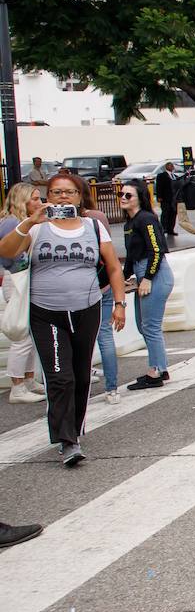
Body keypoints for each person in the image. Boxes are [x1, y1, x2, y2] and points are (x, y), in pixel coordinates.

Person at [0, 172, 127, 466]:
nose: (62, 197)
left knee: (81, 375)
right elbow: (5, 252)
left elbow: (113, 267)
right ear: (48, 197)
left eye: (69, 192)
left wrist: (119, 303)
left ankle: (75, 429)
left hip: (87, 309)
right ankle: (67, 441)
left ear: (79, 197)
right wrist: (29, 222)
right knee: (60, 377)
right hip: (46, 313)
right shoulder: (36, 228)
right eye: (56, 192)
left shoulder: (94, 227)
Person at [120, 181, 175, 390]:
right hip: (142, 272)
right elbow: (132, 256)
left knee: (150, 326)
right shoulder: (129, 224)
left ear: (140, 198)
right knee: (144, 325)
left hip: (155, 274)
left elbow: (156, 250)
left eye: (129, 195)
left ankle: (156, 371)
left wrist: (148, 278)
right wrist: (124, 277)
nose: (123, 198)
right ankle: (160, 366)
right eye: (122, 194)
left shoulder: (146, 219)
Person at [0, 184, 47, 403]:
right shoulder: (12, 222)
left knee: (29, 332)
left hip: (21, 278)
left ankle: (28, 380)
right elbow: (8, 254)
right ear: (23, 200)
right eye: (34, 199)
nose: (39, 203)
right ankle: (17, 386)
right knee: (22, 334)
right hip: (16, 278)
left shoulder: (19, 221)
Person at [78, 184, 119, 403]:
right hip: (103, 281)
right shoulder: (98, 218)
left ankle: (79, 386)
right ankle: (112, 388)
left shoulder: (66, 223)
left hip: (83, 286)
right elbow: (109, 253)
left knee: (79, 338)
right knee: (104, 335)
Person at [153, 161, 180, 238]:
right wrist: (159, 196)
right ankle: (163, 228)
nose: (172, 167)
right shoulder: (161, 176)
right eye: (170, 166)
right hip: (165, 198)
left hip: (174, 199)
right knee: (165, 213)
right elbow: (159, 187)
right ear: (167, 167)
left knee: (173, 214)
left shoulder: (175, 176)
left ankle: (171, 229)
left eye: (172, 166)